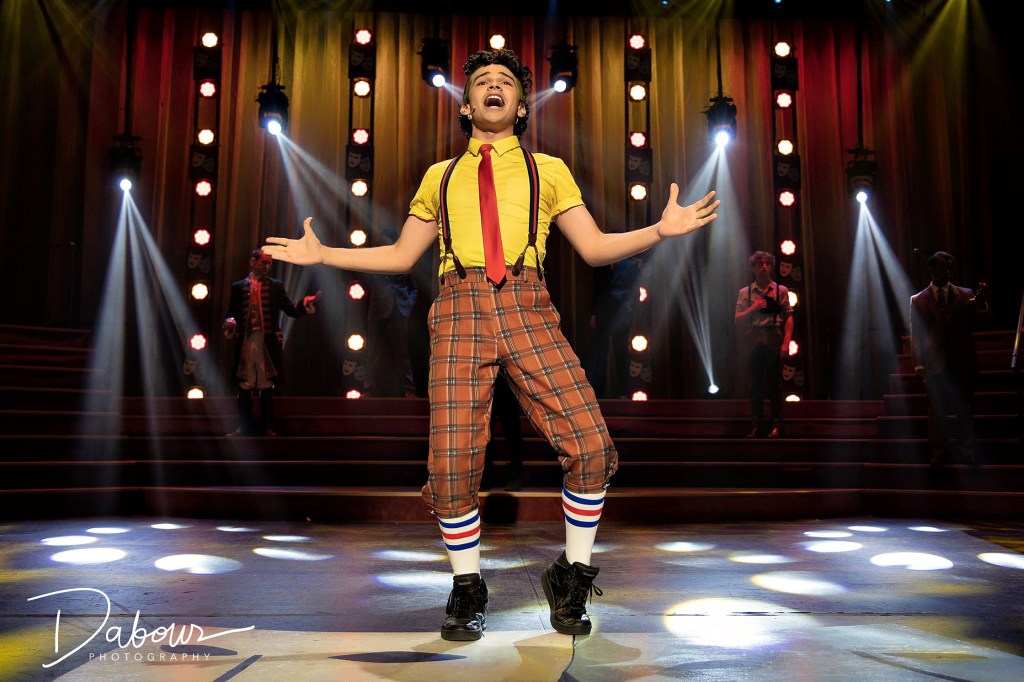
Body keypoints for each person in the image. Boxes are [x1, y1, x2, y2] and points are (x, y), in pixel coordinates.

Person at [264, 47, 719, 641]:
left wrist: (659, 231)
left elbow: (595, 247)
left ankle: (572, 575)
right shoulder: (441, 176)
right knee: (451, 465)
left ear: (523, 104)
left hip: (528, 304)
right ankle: (466, 587)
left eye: (506, 81)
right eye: (482, 81)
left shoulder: (548, 170)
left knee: (590, 445)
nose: (495, 87)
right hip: (459, 310)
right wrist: (325, 255)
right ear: (467, 103)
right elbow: (402, 255)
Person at [223, 247, 321, 436]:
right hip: (246, 342)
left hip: (266, 343)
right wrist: (230, 324)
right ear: (253, 262)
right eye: (264, 262)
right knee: (245, 384)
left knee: (267, 384)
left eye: (269, 263)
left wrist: (304, 304)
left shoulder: (276, 286)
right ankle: (242, 426)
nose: (267, 266)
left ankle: (268, 427)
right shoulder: (238, 287)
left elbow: (290, 309)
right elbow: (232, 314)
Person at [910, 251, 990, 466]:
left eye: (949, 268)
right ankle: (938, 452)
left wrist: (981, 304)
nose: (946, 271)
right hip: (935, 363)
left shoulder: (965, 294)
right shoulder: (918, 300)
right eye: (942, 268)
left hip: (961, 362)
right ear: (931, 270)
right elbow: (916, 334)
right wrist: (918, 363)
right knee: (937, 412)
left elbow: (978, 319)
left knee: (963, 408)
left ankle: (968, 451)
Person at [734, 251, 793, 438]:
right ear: (753, 268)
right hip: (752, 339)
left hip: (772, 336)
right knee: (755, 386)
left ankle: (778, 425)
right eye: (760, 264)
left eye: (767, 263)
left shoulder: (780, 291)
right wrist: (754, 307)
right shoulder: (745, 292)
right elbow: (738, 319)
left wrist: (786, 342)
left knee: (775, 384)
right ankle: (757, 424)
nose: (764, 267)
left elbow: (789, 317)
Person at [363, 228, 418, 398]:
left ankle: (409, 390)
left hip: (399, 309)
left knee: (402, 351)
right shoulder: (375, 261)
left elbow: (414, 287)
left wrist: (408, 302)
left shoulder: (403, 261)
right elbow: (365, 279)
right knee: (373, 350)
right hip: (378, 309)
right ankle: (368, 388)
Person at [587, 253, 642, 398]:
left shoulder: (630, 265)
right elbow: (596, 289)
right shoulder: (602, 263)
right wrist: (594, 313)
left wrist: (630, 309)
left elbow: (635, 290)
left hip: (621, 313)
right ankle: (599, 393)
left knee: (621, 352)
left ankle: (623, 392)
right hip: (604, 313)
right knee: (600, 355)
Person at [480, 370, 525, 492]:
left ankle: (515, 477)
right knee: (485, 435)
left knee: (513, 434)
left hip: (507, 382)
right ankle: (485, 479)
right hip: (486, 383)